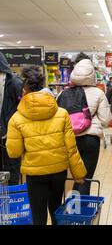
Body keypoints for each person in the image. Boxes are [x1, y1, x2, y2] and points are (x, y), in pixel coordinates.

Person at [6, 66, 86, 225]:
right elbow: (71, 147)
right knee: (56, 209)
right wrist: (78, 173)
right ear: (44, 85)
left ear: (25, 88)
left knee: (38, 215)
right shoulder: (62, 113)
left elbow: (14, 152)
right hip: (58, 172)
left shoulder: (16, 118)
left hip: (35, 174)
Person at [60, 53, 112, 195]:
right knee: (86, 179)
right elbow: (106, 120)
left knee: (75, 177)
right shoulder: (98, 93)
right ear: (92, 74)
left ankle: (74, 209)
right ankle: (83, 213)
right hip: (90, 139)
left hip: (69, 140)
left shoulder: (63, 94)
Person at [0, 52, 23, 185]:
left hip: (11, 135)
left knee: (12, 169)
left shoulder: (14, 83)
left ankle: (13, 201)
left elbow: (23, 108)